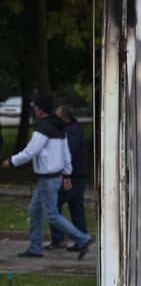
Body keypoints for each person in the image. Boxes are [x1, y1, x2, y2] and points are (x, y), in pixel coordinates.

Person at [1, 96, 92, 259]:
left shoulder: (44, 128)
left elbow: (30, 151)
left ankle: (82, 238)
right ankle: (35, 248)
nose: (34, 110)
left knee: (51, 213)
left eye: (35, 107)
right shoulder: (60, 127)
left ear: (41, 110)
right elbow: (65, 154)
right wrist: (67, 174)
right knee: (34, 211)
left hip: (48, 178)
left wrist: (11, 161)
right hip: (54, 176)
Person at [48, 105, 89, 250]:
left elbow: (66, 153)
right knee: (76, 207)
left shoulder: (70, 131)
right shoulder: (73, 129)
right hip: (78, 174)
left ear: (64, 117)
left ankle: (61, 239)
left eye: (57, 116)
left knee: (54, 205)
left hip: (73, 176)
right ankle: (81, 240)